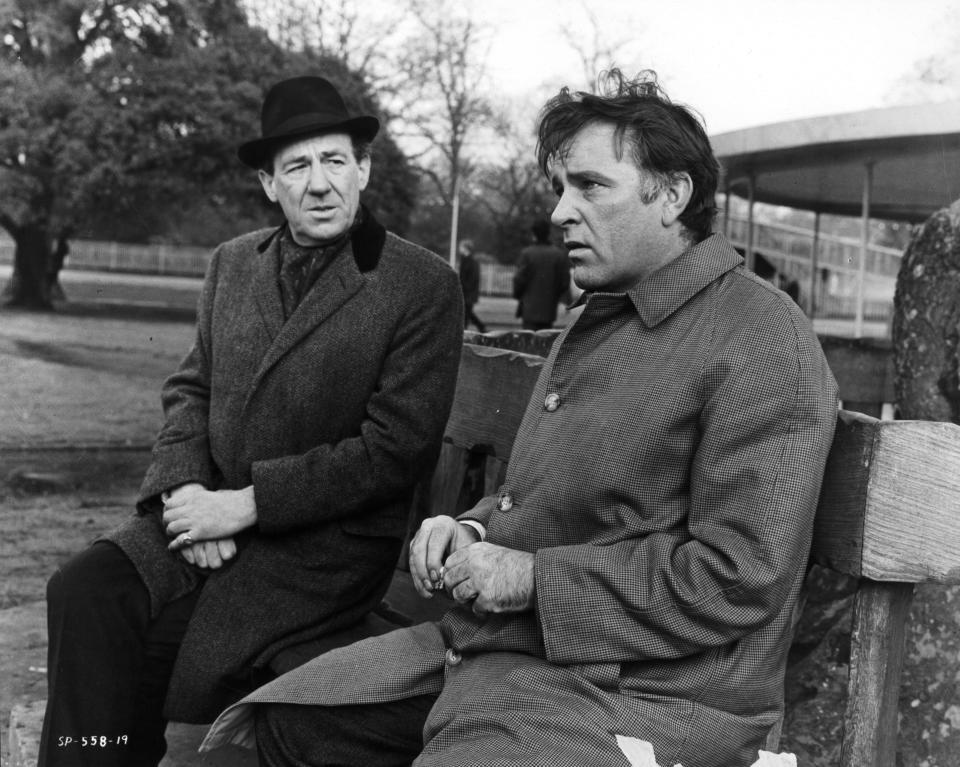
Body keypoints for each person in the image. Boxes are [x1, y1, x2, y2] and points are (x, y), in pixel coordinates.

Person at [199, 69, 838, 767]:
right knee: (265, 733)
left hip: (647, 696)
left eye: (590, 186)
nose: (562, 211)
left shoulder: (761, 334)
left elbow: (736, 575)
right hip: (497, 654)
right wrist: (470, 527)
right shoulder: (602, 315)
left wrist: (533, 578)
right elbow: (545, 497)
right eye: (562, 187)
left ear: (673, 194)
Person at [38, 75, 464, 767]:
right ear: (270, 183)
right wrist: (181, 496)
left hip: (316, 551)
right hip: (201, 518)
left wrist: (245, 505)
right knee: (84, 590)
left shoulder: (419, 284)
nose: (319, 183)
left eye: (334, 160)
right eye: (297, 166)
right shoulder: (233, 262)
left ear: (364, 168)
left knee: (151, 646)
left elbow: (395, 449)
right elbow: (190, 388)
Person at [512, 218, 571, 330]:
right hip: (548, 309)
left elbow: (519, 280)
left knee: (528, 341)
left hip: (529, 308)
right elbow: (564, 282)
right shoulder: (558, 255)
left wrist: (519, 295)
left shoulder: (527, 254)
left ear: (534, 234)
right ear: (548, 233)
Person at [457, 239, 487, 332]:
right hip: (465, 292)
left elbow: (473, 279)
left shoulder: (472, 262)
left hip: (469, 293)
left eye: (461, 247)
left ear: (466, 248)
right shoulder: (464, 260)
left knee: (466, 315)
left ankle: (465, 332)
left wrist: (465, 288)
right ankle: (481, 326)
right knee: (467, 313)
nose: (459, 248)